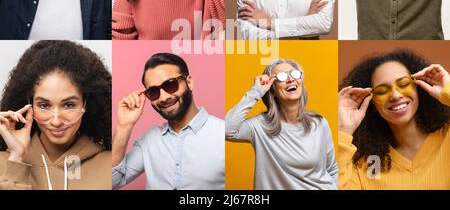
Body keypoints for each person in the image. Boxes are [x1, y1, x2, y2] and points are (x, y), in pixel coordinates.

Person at [0, 40, 112, 190]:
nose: (56, 121)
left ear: (86, 104)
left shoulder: (109, 165)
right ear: (30, 105)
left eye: (69, 105)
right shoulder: (4, 163)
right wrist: (17, 158)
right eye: (44, 105)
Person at [338, 49, 450, 189]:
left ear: (418, 88)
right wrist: (343, 130)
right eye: (382, 91)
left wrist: (448, 90)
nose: (396, 96)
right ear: (371, 103)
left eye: (403, 84)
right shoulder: (364, 164)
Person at [112, 53, 224, 190]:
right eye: (153, 92)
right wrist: (124, 126)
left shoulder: (223, 134)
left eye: (170, 85)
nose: (163, 98)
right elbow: (112, 182)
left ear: (189, 82)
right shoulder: (149, 140)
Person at [225, 59, 337, 190]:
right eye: (282, 76)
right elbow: (226, 129)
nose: (290, 79)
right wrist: (256, 91)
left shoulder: (319, 123)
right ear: (272, 89)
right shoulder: (259, 126)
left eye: (294, 74)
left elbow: (332, 168)